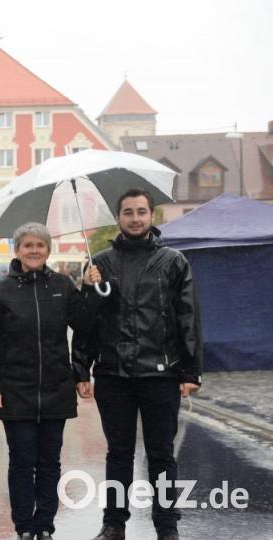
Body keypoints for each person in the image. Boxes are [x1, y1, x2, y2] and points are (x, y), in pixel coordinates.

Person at [73, 188, 202, 540]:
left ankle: (167, 525)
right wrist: (81, 367)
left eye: (141, 212)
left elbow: (187, 317)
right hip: (113, 374)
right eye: (128, 212)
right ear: (118, 218)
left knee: (162, 454)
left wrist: (191, 371)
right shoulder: (99, 263)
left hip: (161, 373)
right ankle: (114, 524)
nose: (134, 218)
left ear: (151, 217)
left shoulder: (174, 262)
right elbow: (86, 323)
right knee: (119, 454)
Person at [0, 223, 101, 540]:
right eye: (28, 245)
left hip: (55, 389)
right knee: (21, 461)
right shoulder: (1, 291)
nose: (34, 250)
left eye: (40, 245)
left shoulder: (62, 284)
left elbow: (84, 323)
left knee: (49, 462)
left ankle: (44, 524)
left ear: (48, 250)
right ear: (17, 250)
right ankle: (24, 526)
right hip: (15, 390)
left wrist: (88, 288)